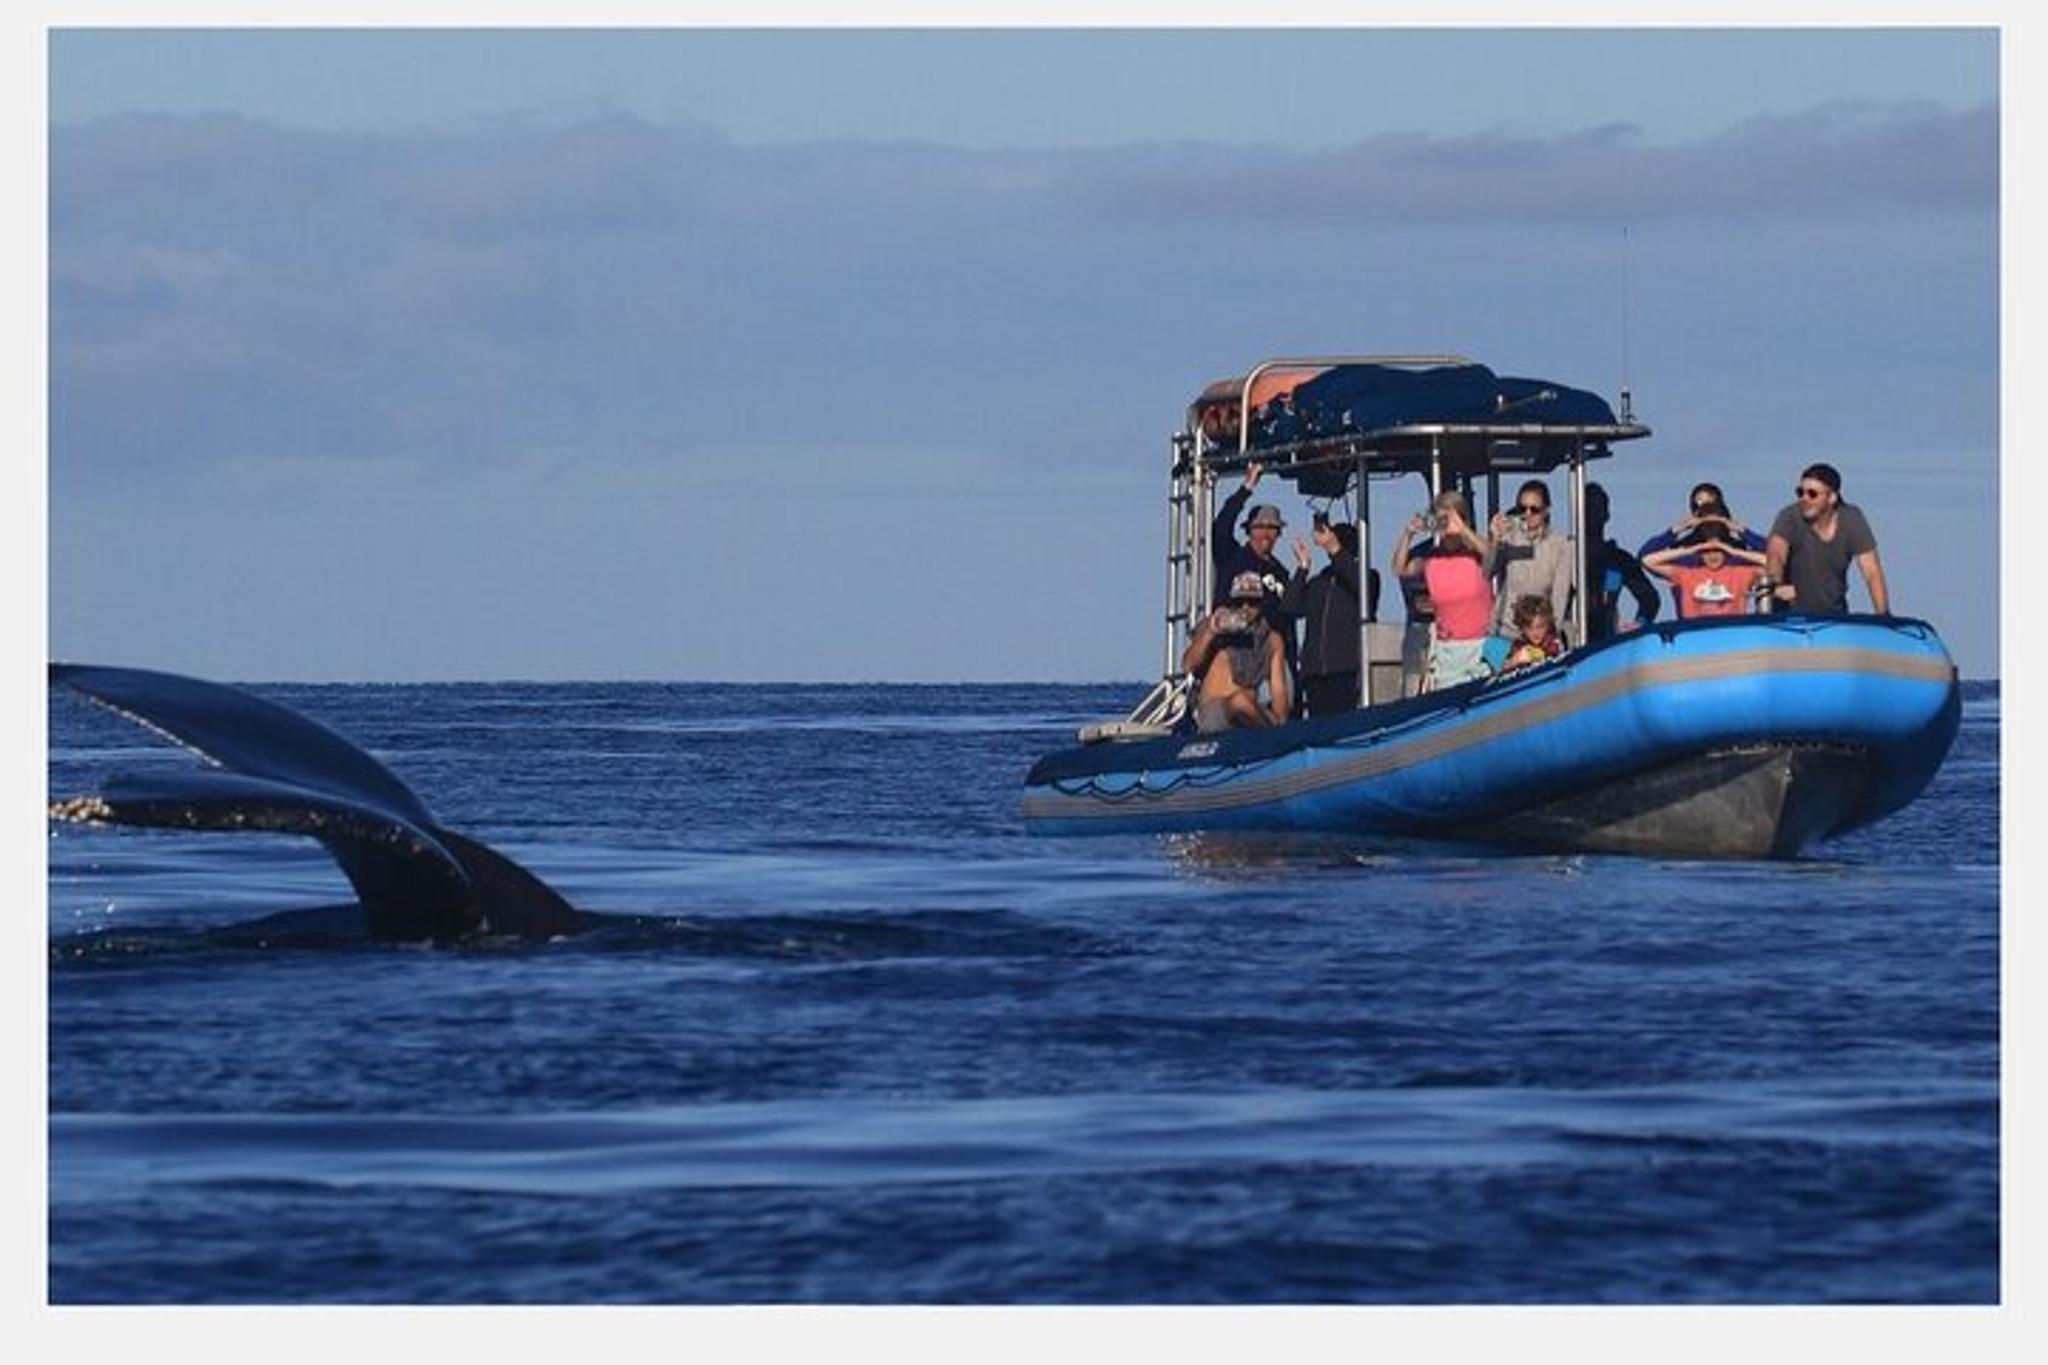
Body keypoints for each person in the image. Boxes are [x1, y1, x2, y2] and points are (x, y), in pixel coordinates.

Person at [1392, 489, 1495, 690]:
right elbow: (1399, 569)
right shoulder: (1431, 559)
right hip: (1447, 652)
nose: (1445, 525)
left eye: (1448, 519)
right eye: (1441, 520)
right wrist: (1408, 534)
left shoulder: (1477, 556)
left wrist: (1463, 529)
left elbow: (1493, 554)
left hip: (1481, 647)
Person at [1282, 517, 1381, 718]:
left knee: (1345, 724)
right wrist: (1302, 568)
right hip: (1314, 673)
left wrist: (1335, 549)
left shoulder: (1367, 577)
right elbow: (1290, 608)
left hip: (1347, 670)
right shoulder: (1319, 582)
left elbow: (1364, 590)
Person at [1763, 462, 1889, 615]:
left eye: (1812, 494)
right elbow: (1776, 554)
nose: (1804, 498)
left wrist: (1883, 615)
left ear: (1832, 497)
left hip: (1834, 615)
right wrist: (1776, 585)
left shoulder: (1851, 519)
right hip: (1789, 615)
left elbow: (1871, 571)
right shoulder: (1789, 517)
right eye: (1800, 492)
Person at [1210, 461, 1299, 667]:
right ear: (1248, 530)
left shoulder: (1281, 572)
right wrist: (1247, 488)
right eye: (1259, 527)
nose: (1265, 534)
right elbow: (1220, 527)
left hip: (1274, 659)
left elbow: (1288, 624)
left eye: (1272, 528)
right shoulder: (1234, 557)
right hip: (1237, 655)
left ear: (1279, 533)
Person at [1183, 570, 1292, 731]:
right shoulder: (1215, 624)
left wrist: (1281, 724)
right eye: (1240, 602)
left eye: (1252, 602)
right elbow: (1188, 665)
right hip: (1214, 712)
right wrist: (1211, 633)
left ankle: (1270, 738)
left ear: (1261, 604)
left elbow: (1279, 693)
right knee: (1240, 701)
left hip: (1251, 713)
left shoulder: (1271, 639)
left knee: (1245, 701)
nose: (1246, 608)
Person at [1636, 483, 1769, 614]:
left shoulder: (1736, 555)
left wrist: (1742, 532)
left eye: (1712, 505)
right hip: (1690, 627)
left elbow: (1775, 558)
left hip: (1731, 627)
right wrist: (1679, 529)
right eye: (1699, 505)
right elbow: (1645, 557)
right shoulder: (1685, 557)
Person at [1486, 479, 1574, 644]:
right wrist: (1494, 541)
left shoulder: (1561, 546)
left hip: (1538, 636)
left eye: (1534, 509)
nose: (1527, 514)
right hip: (1503, 633)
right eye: (1522, 509)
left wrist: (1550, 637)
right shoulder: (1507, 538)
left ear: (1546, 510)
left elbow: (1560, 596)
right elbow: (1486, 572)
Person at [1642, 517, 1769, 618]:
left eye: (1717, 550)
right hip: (1695, 632)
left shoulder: (1741, 573)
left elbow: (1772, 563)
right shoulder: (1685, 574)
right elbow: (1648, 560)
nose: (1713, 555)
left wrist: (1733, 550)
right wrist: (1693, 549)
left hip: (1731, 631)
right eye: (1707, 551)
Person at [1583, 482, 1660, 641]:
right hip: (1568, 643)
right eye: (1587, 509)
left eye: (1597, 508)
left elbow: (1650, 599)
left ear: (1606, 514)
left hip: (1605, 643)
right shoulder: (1565, 554)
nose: (1592, 514)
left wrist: (1639, 624)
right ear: (1578, 514)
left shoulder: (1618, 559)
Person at [1502, 593, 1564, 668]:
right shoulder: (1519, 645)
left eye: (1540, 627)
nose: (1536, 633)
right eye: (1529, 628)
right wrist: (1514, 661)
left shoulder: (1553, 641)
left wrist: (1536, 655)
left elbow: (1556, 658)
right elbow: (1504, 672)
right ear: (1522, 628)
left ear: (1548, 624)